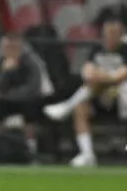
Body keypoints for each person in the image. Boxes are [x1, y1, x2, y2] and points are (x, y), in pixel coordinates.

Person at [44, 14, 127, 166]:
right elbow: (87, 72)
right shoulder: (96, 49)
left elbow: (121, 76)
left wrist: (103, 76)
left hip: (120, 97)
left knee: (105, 84)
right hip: (97, 94)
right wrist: (103, 76)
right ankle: (87, 154)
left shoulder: (125, 50)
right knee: (81, 106)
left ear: (121, 34)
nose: (111, 37)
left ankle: (66, 107)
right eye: (108, 33)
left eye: (115, 33)